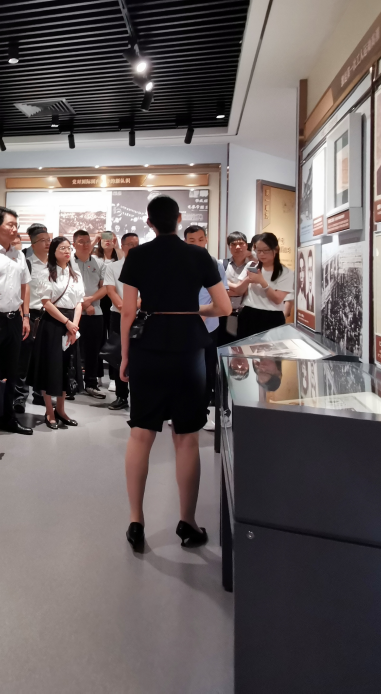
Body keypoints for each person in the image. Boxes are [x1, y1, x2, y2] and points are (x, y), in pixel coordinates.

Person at [118, 196, 231, 553]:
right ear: (179, 219)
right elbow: (224, 307)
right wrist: (193, 311)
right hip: (188, 351)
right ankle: (187, 522)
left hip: (147, 349)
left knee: (141, 434)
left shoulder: (137, 255)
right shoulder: (199, 256)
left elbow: (128, 312)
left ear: (149, 223)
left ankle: (136, 521)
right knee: (186, 437)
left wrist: (125, 356)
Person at [0, 207, 33, 436]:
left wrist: (25, 316)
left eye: (16, 225)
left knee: (11, 371)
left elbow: (25, 287)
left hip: (14, 318)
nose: (15, 229)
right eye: (10, 224)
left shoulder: (19, 255)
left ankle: (8, 417)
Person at [38, 236, 83, 429]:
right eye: (62, 248)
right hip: (53, 324)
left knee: (67, 367)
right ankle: (49, 411)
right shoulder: (46, 273)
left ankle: (61, 410)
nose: (66, 251)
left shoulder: (76, 274)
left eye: (68, 248)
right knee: (50, 367)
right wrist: (67, 322)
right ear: (53, 252)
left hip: (71, 325)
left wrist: (74, 326)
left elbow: (79, 302)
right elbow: (46, 303)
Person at [183, 225, 225, 431]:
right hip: (183, 326)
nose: (198, 244)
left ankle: (203, 413)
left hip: (209, 326)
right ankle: (179, 411)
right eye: (192, 241)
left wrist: (203, 314)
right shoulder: (179, 263)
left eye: (201, 240)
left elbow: (221, 297)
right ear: (185, 242)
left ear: (206, 240)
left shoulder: (216, 264)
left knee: (207, 370)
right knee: (183, 369)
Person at [102, 232, 138, 410]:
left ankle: (139, 397)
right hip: (118, 315)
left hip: (140, 315)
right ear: (122, 247)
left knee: (139, 355)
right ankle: (121, 396)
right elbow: (110, 290)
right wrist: (124, 308)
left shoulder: (146, 266)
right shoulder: (113, 267)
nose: (134, 247)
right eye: (130, 244)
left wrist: (133, 307)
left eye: (136, 244)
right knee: (118, 354)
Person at [18, 223, 51, 410]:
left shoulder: (54, 263)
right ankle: (20, 397)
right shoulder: (26, 261)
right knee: (24, 358)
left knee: (44, 357)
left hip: (49, 315)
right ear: (33, 243)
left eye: (49, 240)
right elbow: (22, 290)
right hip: (30, 314)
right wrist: (24, 315)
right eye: (43, 240)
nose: (47, 243)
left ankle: (40, 394)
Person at [236, 232, 294, 338]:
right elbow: (239, 291)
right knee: (245, 346)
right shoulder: (251, 266)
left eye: (266, 250)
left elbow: (277, 299)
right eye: (258, 250)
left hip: (271, 317)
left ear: (276, 249)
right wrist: (247, 280)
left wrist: (262, 281)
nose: (261, 254)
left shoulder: (286, 272)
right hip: (248, 314)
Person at [72, 230, 106, 398]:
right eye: (81, 241)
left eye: (87, 241)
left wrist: (90, 301)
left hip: (95, 313)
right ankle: (72, 383)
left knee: (93, 350)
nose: (85, 245)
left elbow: (105, 287)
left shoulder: (99, 263)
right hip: (73, 314)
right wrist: (83, 304)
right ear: (74, 244)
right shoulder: (68, 262)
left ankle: (91, 383)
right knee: (72, 350)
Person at [222, 231, 252, 340]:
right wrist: (241, 289)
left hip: (247, 315)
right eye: (233, 244)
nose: (237, 247)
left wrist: (227, 287)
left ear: (246, 245)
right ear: (229, 247)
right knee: (223, 344)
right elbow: (218, 290)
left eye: (241, 243)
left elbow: (251, 291)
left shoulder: (253, 266)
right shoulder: (221, 265)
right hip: (224, 314)